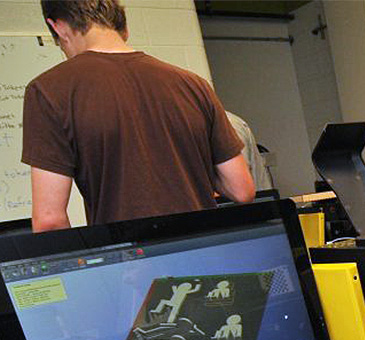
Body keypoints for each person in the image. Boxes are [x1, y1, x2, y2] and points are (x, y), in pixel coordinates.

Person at [22, 0, 254, 232]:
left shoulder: (48, 90)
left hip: (132, 261)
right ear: (123, 28)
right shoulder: (193, 84)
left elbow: (50, 221)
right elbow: (241, 190)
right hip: (204, 251)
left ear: (58, 27)